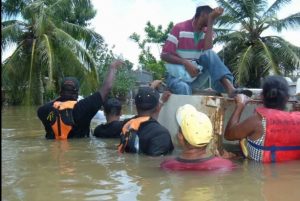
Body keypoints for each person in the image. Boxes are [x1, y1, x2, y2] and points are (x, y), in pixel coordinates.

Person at [160, 5, 252, 98]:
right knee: (183, 88)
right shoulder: (180, 28)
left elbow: (208, 50)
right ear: (203, 15)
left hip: (194, 78)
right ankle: (183, 92)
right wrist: (185, 62)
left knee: (210, 54)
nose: (212, 21)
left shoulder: (207, 31)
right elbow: (164, 55)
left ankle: (230, 89)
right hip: (176, 77)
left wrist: (210, 20)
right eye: (210, 17)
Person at [37, 60, 124, 139]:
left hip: (54, 153)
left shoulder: (44, 111)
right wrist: (112, 67)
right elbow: (106, 88)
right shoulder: (82, 107)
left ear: (60, 92)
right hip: (77, 152)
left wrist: (60, 97)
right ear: (77, 94)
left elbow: (44, 107)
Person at [224, 76, 300, 163]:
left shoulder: (257, 121)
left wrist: (240, 105)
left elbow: (228, 135)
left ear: (261, 96)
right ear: (287, 98)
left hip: (259, 173)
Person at [160, 104, 235, 171]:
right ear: (210, 137)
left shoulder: (167, 166)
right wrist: (222, 161)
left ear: (180, 137)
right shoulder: (226, 166)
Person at [118, 87, 174, 156]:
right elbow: (155, 164)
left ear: (135, 106)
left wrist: (161, 102)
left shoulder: (126, 125)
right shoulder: (161, 134)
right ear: (156, 107)